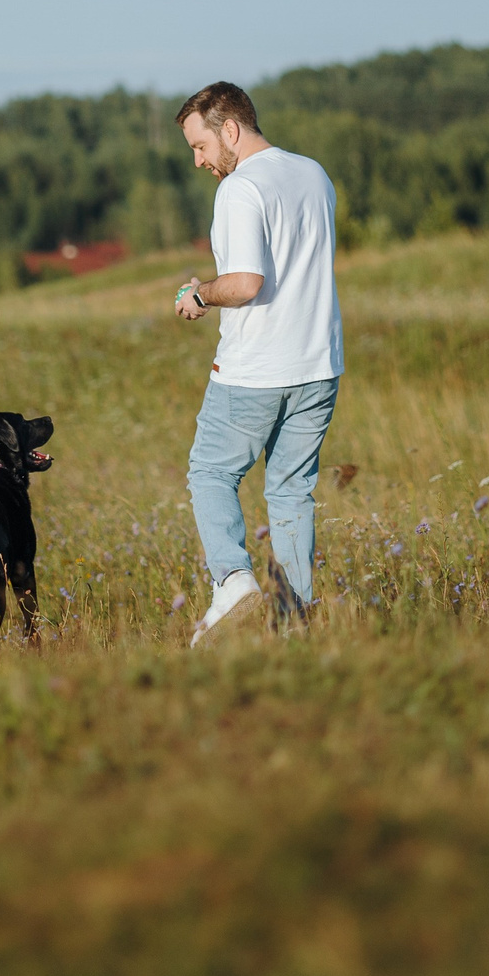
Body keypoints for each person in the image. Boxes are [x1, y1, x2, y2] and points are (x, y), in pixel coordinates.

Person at [171, 81, 344, 644]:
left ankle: (232, 579)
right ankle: (295, 628)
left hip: (255, 369)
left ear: (230, 129)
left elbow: (246, 283)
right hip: (318, 364)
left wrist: (201, 295)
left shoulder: (240, 189)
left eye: (200, 146)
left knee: (210, 472)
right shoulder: (313, 174)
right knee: (291, 491)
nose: (199, 161)